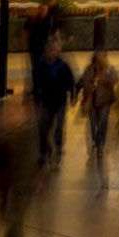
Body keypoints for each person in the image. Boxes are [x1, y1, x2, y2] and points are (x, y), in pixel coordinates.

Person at [31, 37, 76, 165]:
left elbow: (70, 81)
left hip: (60, 100)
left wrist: (72, 94)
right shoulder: (40, 66)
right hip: (46, 100)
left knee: (59, 125)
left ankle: (57, 146)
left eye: (55, 49)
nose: (52, 52)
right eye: (50, 49)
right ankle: (45, 149)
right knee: (44, 127)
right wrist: (35, 96)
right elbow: (36, 82)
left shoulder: (62, 66)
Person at [76, 50, 118, 170]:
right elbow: (82, 81)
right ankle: (95, 140)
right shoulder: (89, 70)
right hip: (92, 101)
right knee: (93, 123)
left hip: (105, 101)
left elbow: (115, 79)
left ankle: (100, 145)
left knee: (103, 123)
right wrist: (86, 84)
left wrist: (103, 78)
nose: (98, 64)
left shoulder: (109, 69)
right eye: (97, 61)